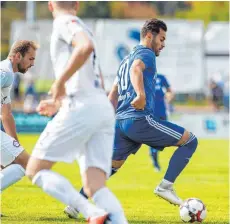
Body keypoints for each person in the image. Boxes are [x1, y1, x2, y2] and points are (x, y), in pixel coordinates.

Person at [65, 18, 199, 220]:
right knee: (190, 141)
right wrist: (141, 95)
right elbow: (137, 68)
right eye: (161, 39)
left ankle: (76, 203)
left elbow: (113, 93)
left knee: (112, 166)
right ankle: (166, 186)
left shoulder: (123, 62)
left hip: (121, 121)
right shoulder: (145, 53)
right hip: (139, 119)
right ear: (149, 36)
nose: (163, 44)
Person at [25, 2, 128, 224]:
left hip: (82, 105)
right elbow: (91, 75)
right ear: (78, 4)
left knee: (35, 170)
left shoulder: (64, 22)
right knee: (94, 186)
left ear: (51, 5)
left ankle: (91, 213)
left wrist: (60, 84)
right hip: (100, 106)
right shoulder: (84, 25)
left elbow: (85, 46)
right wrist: (59, 101)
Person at [0, 40, 38, 193]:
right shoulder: (5, 73)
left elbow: (6, 114)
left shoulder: (7, 73)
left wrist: (15, 146)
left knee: (14, 164)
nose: (33, 63)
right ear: (17, 56)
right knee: (27, 164)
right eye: (30, 58)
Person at [149, 73, 174, 172]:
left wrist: (168, 97)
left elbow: (169, 91)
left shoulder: (161, 77)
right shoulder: (143, 76)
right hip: (150, 112)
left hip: (162, 111)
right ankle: (154, 158)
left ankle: (154, 151)